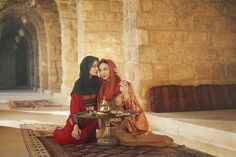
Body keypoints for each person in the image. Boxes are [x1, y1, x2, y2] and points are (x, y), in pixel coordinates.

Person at [97, 59, 173, 146]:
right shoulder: (101, 88)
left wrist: (125, 94)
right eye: (100, 70)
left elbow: (135, 109)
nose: (102, 72)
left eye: (105, 69)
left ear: (112, 69)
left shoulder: (125, 85)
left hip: (125, 123)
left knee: (125, 137)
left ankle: (162, 139)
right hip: (108, 124)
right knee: (99, 134)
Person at [53, 56, 101, 144]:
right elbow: (74, 109)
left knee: (82, 137)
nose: (97, 69)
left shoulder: (98, 82)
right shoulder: (79, 84)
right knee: (63, 138)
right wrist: (75, 126)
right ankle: (58, 131)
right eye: (94, 66)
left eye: (97, 66)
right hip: (79, 118)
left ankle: (88, 134)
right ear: (86, 67)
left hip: (93, 120)